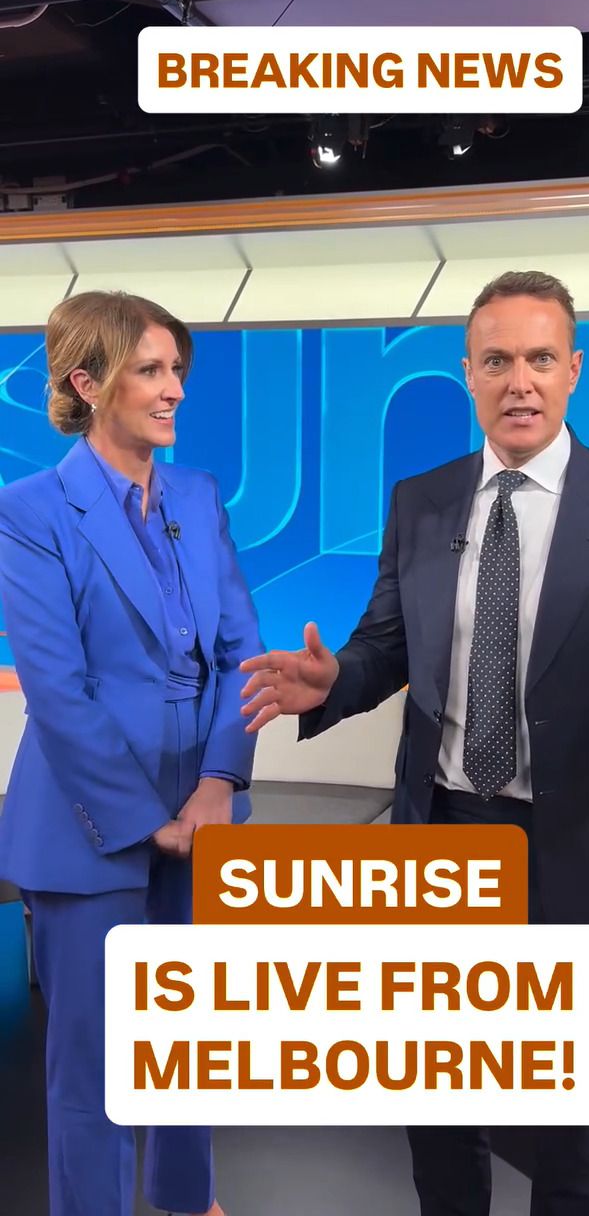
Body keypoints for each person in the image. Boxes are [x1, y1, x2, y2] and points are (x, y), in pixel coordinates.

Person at [240, 269, 589, 1216]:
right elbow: (385, 647)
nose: (519, 381)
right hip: (444, 834)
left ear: (574, 369)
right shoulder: (421, 500)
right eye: (497, 361)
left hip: (572, 846)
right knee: (439, 1097)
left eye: (540, 358)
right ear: (468, 374)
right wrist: (335, 681)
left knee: (571, 1118)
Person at [0, 290, 262, 1216]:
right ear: (88, 383)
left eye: (176, 369)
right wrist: (152, 821)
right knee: (98, 1066)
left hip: (204, 811)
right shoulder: (30, 511)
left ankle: (189, 1200)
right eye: (150, 370)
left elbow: (241, 653)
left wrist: (218, 784)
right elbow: (59, 692)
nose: (174, 389)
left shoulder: (198, 496)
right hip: (89, 824)